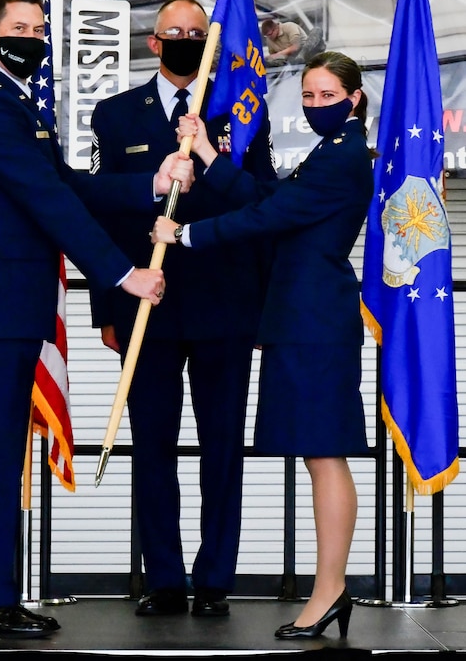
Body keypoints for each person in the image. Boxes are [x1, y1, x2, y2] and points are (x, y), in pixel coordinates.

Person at [0, 0, 194, 640]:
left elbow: (70, 182)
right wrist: (123, 272)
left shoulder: (19, 105)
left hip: (14, 302)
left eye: (39, 27)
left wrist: (150, 185)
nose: (32, 37)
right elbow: (47, 200)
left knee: (2, 452)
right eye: (19, 27)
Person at [152, 51, 375, 639]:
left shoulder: (345, 157)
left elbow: (269, 216)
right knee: (317, 454)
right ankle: (329, 590)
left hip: (315, 321)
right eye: (308, 95)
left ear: (353, 99)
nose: (316, 104)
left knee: (325, 453)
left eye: (328, 95)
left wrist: (187, 234)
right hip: (300, 317)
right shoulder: (330, 153)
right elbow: (262, 194)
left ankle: (329, 591)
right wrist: (205, 153)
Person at [89, 0, 276, 617]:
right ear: (153, 42)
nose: (186, 40)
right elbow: (103, 213)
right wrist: (107, 308)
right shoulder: (116, 116)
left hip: (225, 303)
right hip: (149, 306)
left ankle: (216, 577)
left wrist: (261, 309)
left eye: (198, 33)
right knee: (153, 445)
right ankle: (165, 578)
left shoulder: (241, 112)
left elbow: (261, 205)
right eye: (175, 32)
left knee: (223, 445)